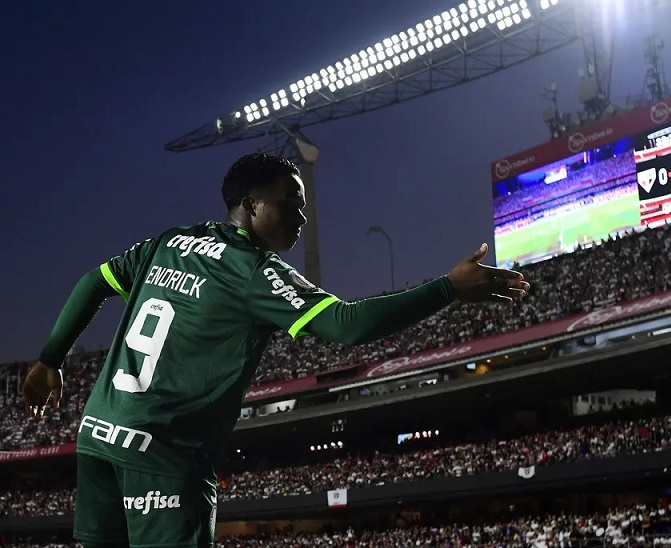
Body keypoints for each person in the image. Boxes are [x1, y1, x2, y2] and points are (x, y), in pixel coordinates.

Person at [22, 153, 529, 548]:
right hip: (164, 454)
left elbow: (93, 281)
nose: (303, 216)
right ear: (251, 205)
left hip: (99, 437)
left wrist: (49, 359)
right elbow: (347, 325)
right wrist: (447, 289)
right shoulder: (254, 270)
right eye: (292, 203)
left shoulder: (168, 243)